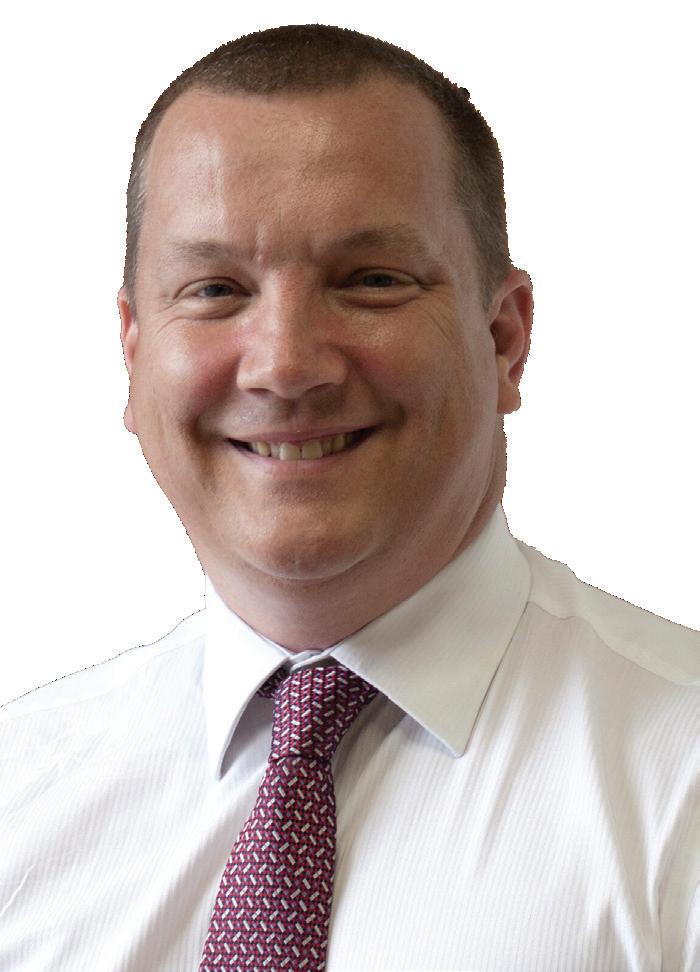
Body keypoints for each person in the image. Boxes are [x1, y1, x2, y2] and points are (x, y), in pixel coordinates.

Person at [1, 22, 697, 972]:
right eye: (214, 290)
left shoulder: (681, 781)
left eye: (371, 282)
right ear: (132, 351)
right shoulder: (20, 795)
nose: (285, 365)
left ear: (505, 340)